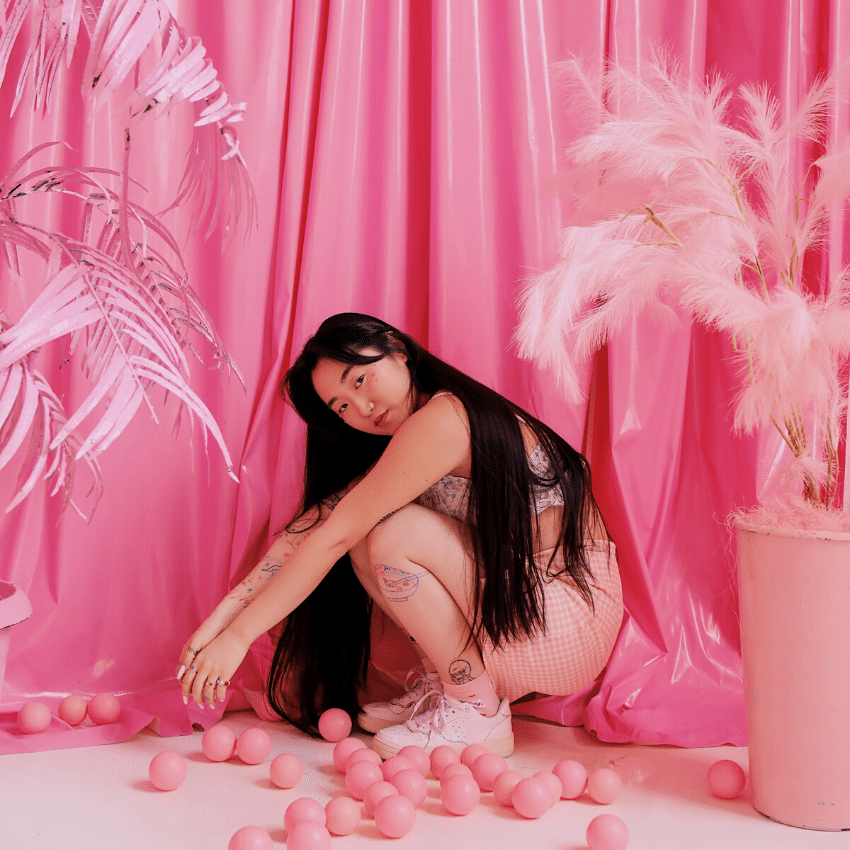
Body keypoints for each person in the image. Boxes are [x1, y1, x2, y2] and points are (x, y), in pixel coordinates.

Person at [177, 313, 623, 757]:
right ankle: (453, 689)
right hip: (530, 614)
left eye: (360, 380)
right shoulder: (414, 436)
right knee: (360, 535)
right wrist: (220, 625)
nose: (362, 408)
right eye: (342, 407)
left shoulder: (443, 418)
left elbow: (329, 538)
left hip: (566, 622)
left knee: (391, 534)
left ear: (398, 348)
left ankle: (475, 710)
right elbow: (310, 530)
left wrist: (239, 639)